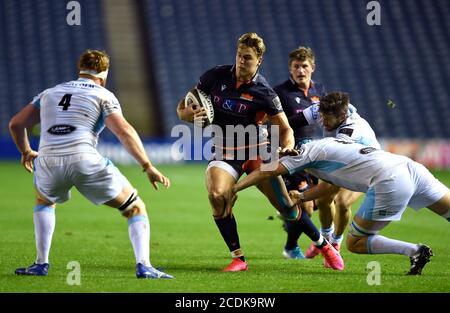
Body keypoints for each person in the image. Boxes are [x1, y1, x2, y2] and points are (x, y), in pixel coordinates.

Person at [177, 33, 343, 271]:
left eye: (247, 58)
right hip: (225, 150)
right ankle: (238, 258)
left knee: (286, 206)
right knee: (217, 196)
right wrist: (189, 116)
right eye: (239, 55)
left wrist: (286, 146)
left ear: (259, 60)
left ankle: (324, 246)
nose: (241, 62)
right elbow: (182, 107)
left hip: (257, 152)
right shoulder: (214, 76)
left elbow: (285, 129)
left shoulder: (264, 92)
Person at [9, 49, 173, 279]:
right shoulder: (103, 95)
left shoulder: (49, 93)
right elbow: (124, 131)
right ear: (104, 76)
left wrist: (26, 151)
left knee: (44, 201)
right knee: (135, 207)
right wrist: (148, 166)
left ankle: (40, 264)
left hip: (47, 160)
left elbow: (16, 123)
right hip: (83, 157)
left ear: (80, 70)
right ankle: (144, 266)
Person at [230, 137, 450, 275]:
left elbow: (268, 170)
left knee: (356, 242)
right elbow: (328, 189)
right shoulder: (331, 146)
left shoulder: (305, 153)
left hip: (391, 179)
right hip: (411, 167)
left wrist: (235, 188)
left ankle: (415, 250)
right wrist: (302, 196)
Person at [291, 92, 380, 269]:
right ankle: (325, 240)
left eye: (327, 118)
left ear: (341, 116)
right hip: (344, 162)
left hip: (368, 171)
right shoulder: (322, 109)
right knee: (324, 201)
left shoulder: (351, 132)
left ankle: (335, 244)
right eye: (321, 116)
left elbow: (330, 177)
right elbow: (292, 121)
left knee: (341, 202)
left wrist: (301, 195)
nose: (322, 121)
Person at [273, 46, 326, 260]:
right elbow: (274, 123)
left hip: (318, 154)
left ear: (312, 67)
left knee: (318, 203)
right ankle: (292, 247)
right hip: (294, 155)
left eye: (304, 66)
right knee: (308, 207)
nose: (300, 70)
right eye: (296, 66)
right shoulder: (281, 92)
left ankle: (289, 225)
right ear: (290, 69)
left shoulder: (320, 91)